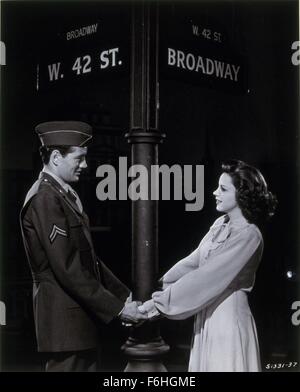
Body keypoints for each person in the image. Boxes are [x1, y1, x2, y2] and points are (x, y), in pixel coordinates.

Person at [20, 121, 147, 372]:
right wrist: (119, 309)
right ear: (56, 157)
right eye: (79, 158)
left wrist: (124, 295)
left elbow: (89, 259)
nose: (85, 165)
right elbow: (69, 268)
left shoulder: (62, 194)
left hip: (76, 324)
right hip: (65, 327)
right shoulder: (45, 198)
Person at [138, 160, 277, 372]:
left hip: (228, 320)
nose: (214, 192)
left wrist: (158, 305)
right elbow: (193, 263)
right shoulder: (219, 225)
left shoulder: (250, 235)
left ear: (242, 194)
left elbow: (208, 276)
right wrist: (160, 287)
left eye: (222, 189)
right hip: (205, 313)